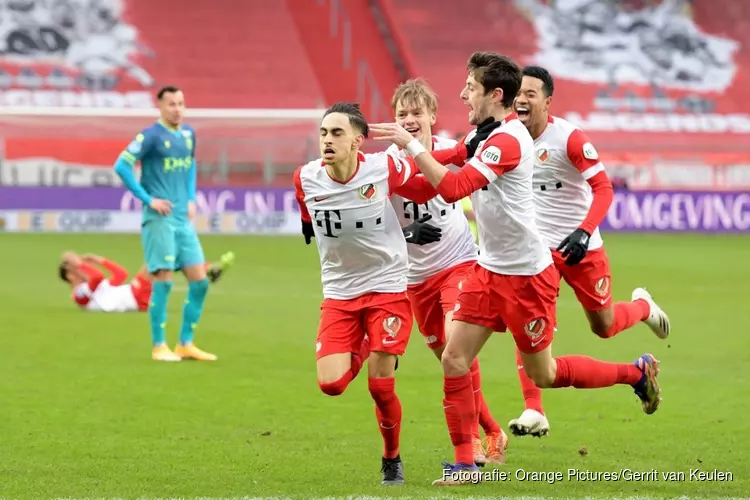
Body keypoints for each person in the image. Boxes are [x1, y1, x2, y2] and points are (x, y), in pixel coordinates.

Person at [371, 51, 661, 486]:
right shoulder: (481, 135)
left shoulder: (507, 141)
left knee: (544, 372)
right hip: (489, 271)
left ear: (495, 94)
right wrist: (362, 169)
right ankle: (466, 465)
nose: (463, 94)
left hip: (527, 278)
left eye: (470, 87)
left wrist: (411, 143)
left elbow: (452, 189)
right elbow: (441, 158)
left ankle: (635, 373)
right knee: (453, 358)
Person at [507, 66, 671, 437]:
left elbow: (604, 188)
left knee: (605, 326)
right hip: (538, 253)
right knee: (530, 327)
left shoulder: (569, 138)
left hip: (582, 248)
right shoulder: (508, 138)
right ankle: (534, 409)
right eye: (519, 92)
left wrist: (584, 231)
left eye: (531, 93)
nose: (522, 98)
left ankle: (643, 307)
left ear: (548, 102)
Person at [293, 101, 440, 486]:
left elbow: (423, 188)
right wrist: (308, 225)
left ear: (358, 141)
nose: (328, 140)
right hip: (340, 292)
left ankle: (391, 458)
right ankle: (368, 344)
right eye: (324, 133)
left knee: (379, 386)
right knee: (332, 385)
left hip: (387, 287)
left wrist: (431, 159)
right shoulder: (305, 177)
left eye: (337, 133)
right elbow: (305, 209)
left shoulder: (383, 168)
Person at [387, 78, 507, 465]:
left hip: (458, 261)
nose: (409, 119)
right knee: (450, 359)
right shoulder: (385, 163)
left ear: (432, 116)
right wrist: (406, 231)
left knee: (457, 350)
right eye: (402, 114)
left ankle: (469, 444)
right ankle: (493, 431)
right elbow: (373, 224)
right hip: (415, 278)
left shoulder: (449, 149)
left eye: (416, 112)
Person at [113, 85, 215, 362]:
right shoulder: (150, 136)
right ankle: (159, 346)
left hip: (183, 220)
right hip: (159, 221)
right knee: (164, 282)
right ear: (159, 106)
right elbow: (121, 166)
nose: (177, 108)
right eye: (171, 103)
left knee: (200, 283)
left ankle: (185, 343)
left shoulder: (188, 134)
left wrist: (192, 198)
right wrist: (148, 199)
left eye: (181, 103)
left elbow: (191, 164)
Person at [59, 251, 234, 315]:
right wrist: (79, 263)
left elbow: (121, 274)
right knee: (159, 260)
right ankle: (207, 270)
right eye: (76, 270)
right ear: (70, 276)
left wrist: (96, 259)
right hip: (135, 297)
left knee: (164, 262)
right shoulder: (78, 294)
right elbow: (96, 278)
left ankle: (208, 271)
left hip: (135, 294)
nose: (82, 271)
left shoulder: (97, 291)